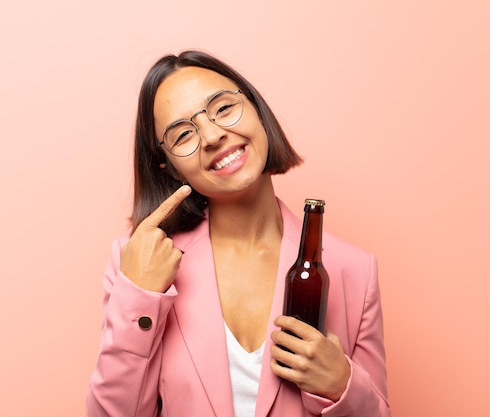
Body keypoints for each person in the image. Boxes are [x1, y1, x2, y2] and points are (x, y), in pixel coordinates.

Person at [86, 50, 390, 417]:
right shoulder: (136, 264)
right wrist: (139, 296)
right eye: (183, 134)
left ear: (257, 110)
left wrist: (343, 385)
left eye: (224, 108)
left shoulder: (354, 270)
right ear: (170, 169)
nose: (213, 135)